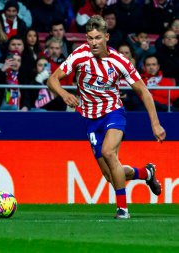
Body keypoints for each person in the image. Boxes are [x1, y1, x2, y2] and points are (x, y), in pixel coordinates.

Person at [47, 15, 166, 219]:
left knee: (109, 153)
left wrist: (156, 125)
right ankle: (147, 173)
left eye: (98, 38)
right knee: (111, 175)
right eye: (90, 38)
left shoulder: (119, 62)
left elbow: (144, 92)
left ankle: (123, 210)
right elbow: (52, 79)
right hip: (91, 119)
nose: (94, 42)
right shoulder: (79, 56)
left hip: (113, 112)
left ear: (106, 37)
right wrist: (65, 94)